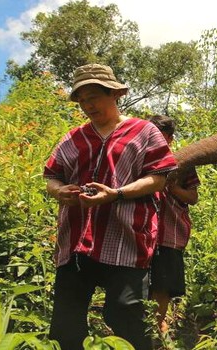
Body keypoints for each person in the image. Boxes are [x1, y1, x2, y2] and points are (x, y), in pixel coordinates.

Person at [44, 63, 177, 350]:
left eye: (93, 96)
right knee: (66, 326)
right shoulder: (73, 138)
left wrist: (116, 194)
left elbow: (158, 178)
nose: (87, 105)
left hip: (127, 241)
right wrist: (60, 192)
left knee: (127, 317)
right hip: (76, 243)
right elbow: (52, 176)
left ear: (114, 94)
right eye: (81, 100)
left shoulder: (144, 132)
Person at [148, 115, 199, 334]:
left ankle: (159, 323)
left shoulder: (183, 164)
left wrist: (170, 187)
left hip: (170, 230)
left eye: (159, 136)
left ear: (170, 138)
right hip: (142, 230)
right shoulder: (141, 159)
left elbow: (193, 197)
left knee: (163, 281)